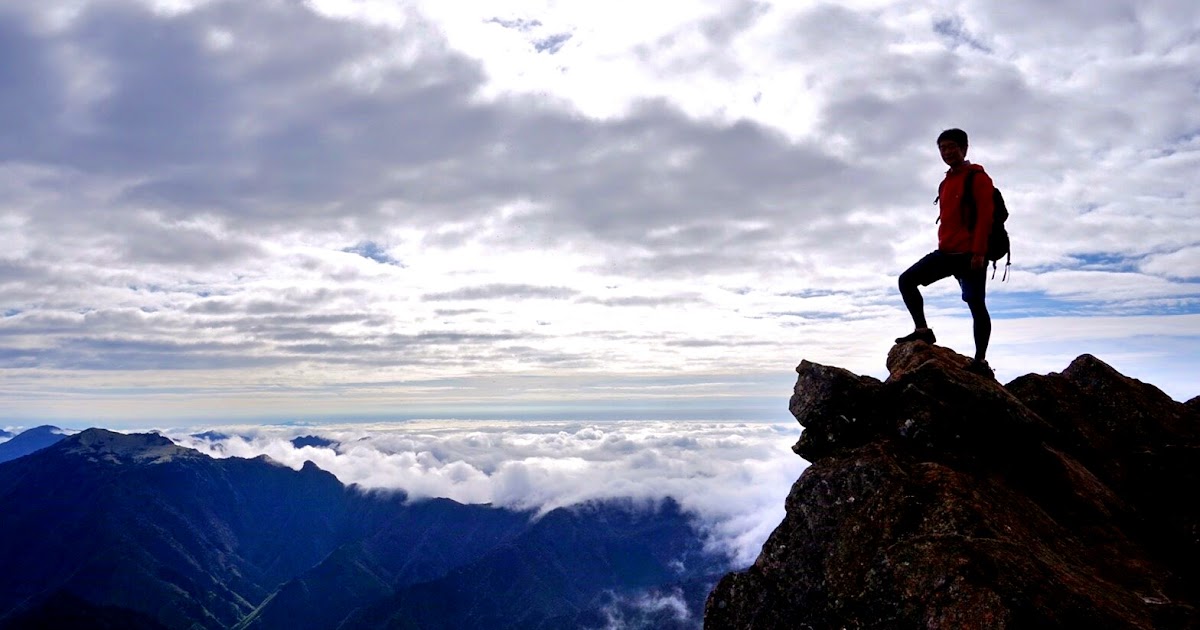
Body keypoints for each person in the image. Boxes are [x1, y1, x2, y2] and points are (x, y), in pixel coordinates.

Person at [896, 128, 995, 377]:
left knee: (976, 304)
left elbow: (986, 216)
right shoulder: (945, 181)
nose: (947, 152)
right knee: (906, 280)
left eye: (952, 146)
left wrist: (979, 252)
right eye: (942, 148)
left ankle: (980, 361)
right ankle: (922, 331)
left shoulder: (978, 178)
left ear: (964, 148)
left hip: (970, 255)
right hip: (947, 253)